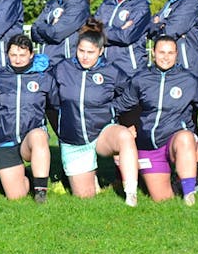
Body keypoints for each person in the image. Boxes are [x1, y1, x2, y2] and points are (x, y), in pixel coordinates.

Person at [50, 20, 141, 205]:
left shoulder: (111, 71)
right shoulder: (62, 69)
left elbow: (133, 95)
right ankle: (92, 180)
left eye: (90, 52)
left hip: (102, 133)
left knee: (124, 136)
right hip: (74, 140)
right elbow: (48, 99)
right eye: (81, 51)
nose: (85, 56)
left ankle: (131, 194)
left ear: (100, 51)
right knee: (85, 198)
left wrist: (119, 113)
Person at [113, 36, 198, 205]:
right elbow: (119, 106)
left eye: (170, 53)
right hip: (149, 146)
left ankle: (190, 194)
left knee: (186, 137)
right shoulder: (140, 79)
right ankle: (173, 180)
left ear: (176, 55)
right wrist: (115, 129)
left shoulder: (188, 80)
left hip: (176, 141)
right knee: (162, 200)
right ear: (153, 53)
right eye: (161, 52)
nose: (166, 57)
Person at [0, 34, 56, 203]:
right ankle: (26, 177)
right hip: (5, 140)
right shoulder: (0, 79)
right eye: (13, 55)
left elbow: (55, 107)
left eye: (22, 55)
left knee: (38, 135)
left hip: (30, 140)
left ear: (31, 54)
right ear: (7, 55)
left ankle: (40, 191)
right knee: (16, 197)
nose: (17, 60)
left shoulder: (44, 78)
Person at [93, 0, 152, 76]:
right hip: (105, 69)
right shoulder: (106, 4)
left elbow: (126, 36)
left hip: (129, 72)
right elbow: (92, 31)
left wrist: (102, 30)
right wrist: (117, 30)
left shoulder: (141, 6)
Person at [31, 0, 91, 67]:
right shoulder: (52, 3)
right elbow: (33, 31)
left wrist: (45, 28)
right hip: (47, 63)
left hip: (67, 66)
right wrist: (48, 30)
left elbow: (56, 34)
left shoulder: (80, 6)